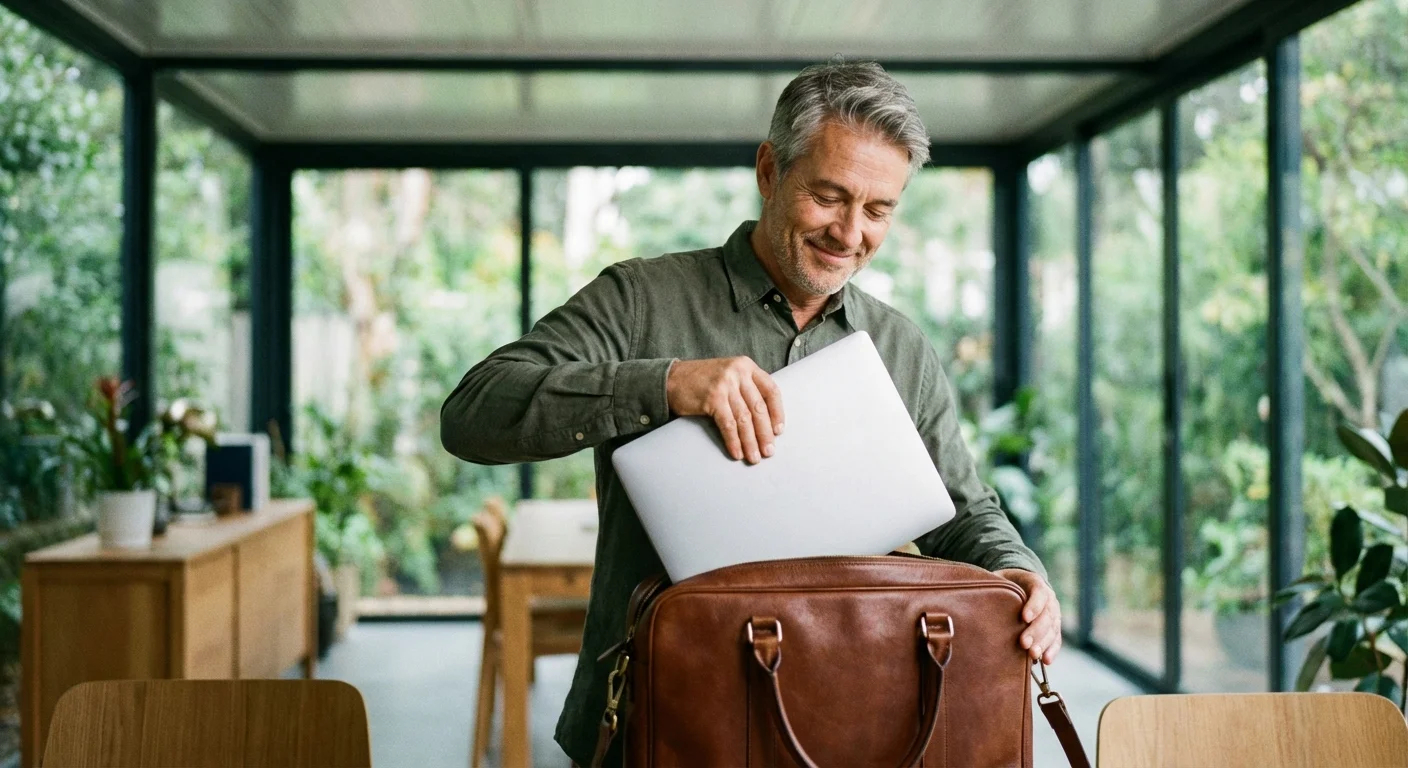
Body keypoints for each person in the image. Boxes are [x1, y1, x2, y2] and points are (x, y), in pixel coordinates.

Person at [441, 59, 1060, 766]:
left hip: (849, 722)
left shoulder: (900, 347)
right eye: (829, 196)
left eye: (879, 209)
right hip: (661, 717)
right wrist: (666, 385)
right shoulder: (642, 299)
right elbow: (471, 412)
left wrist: (1023, 573)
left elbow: (961, 509)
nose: (851, 232)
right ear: (770, 171)